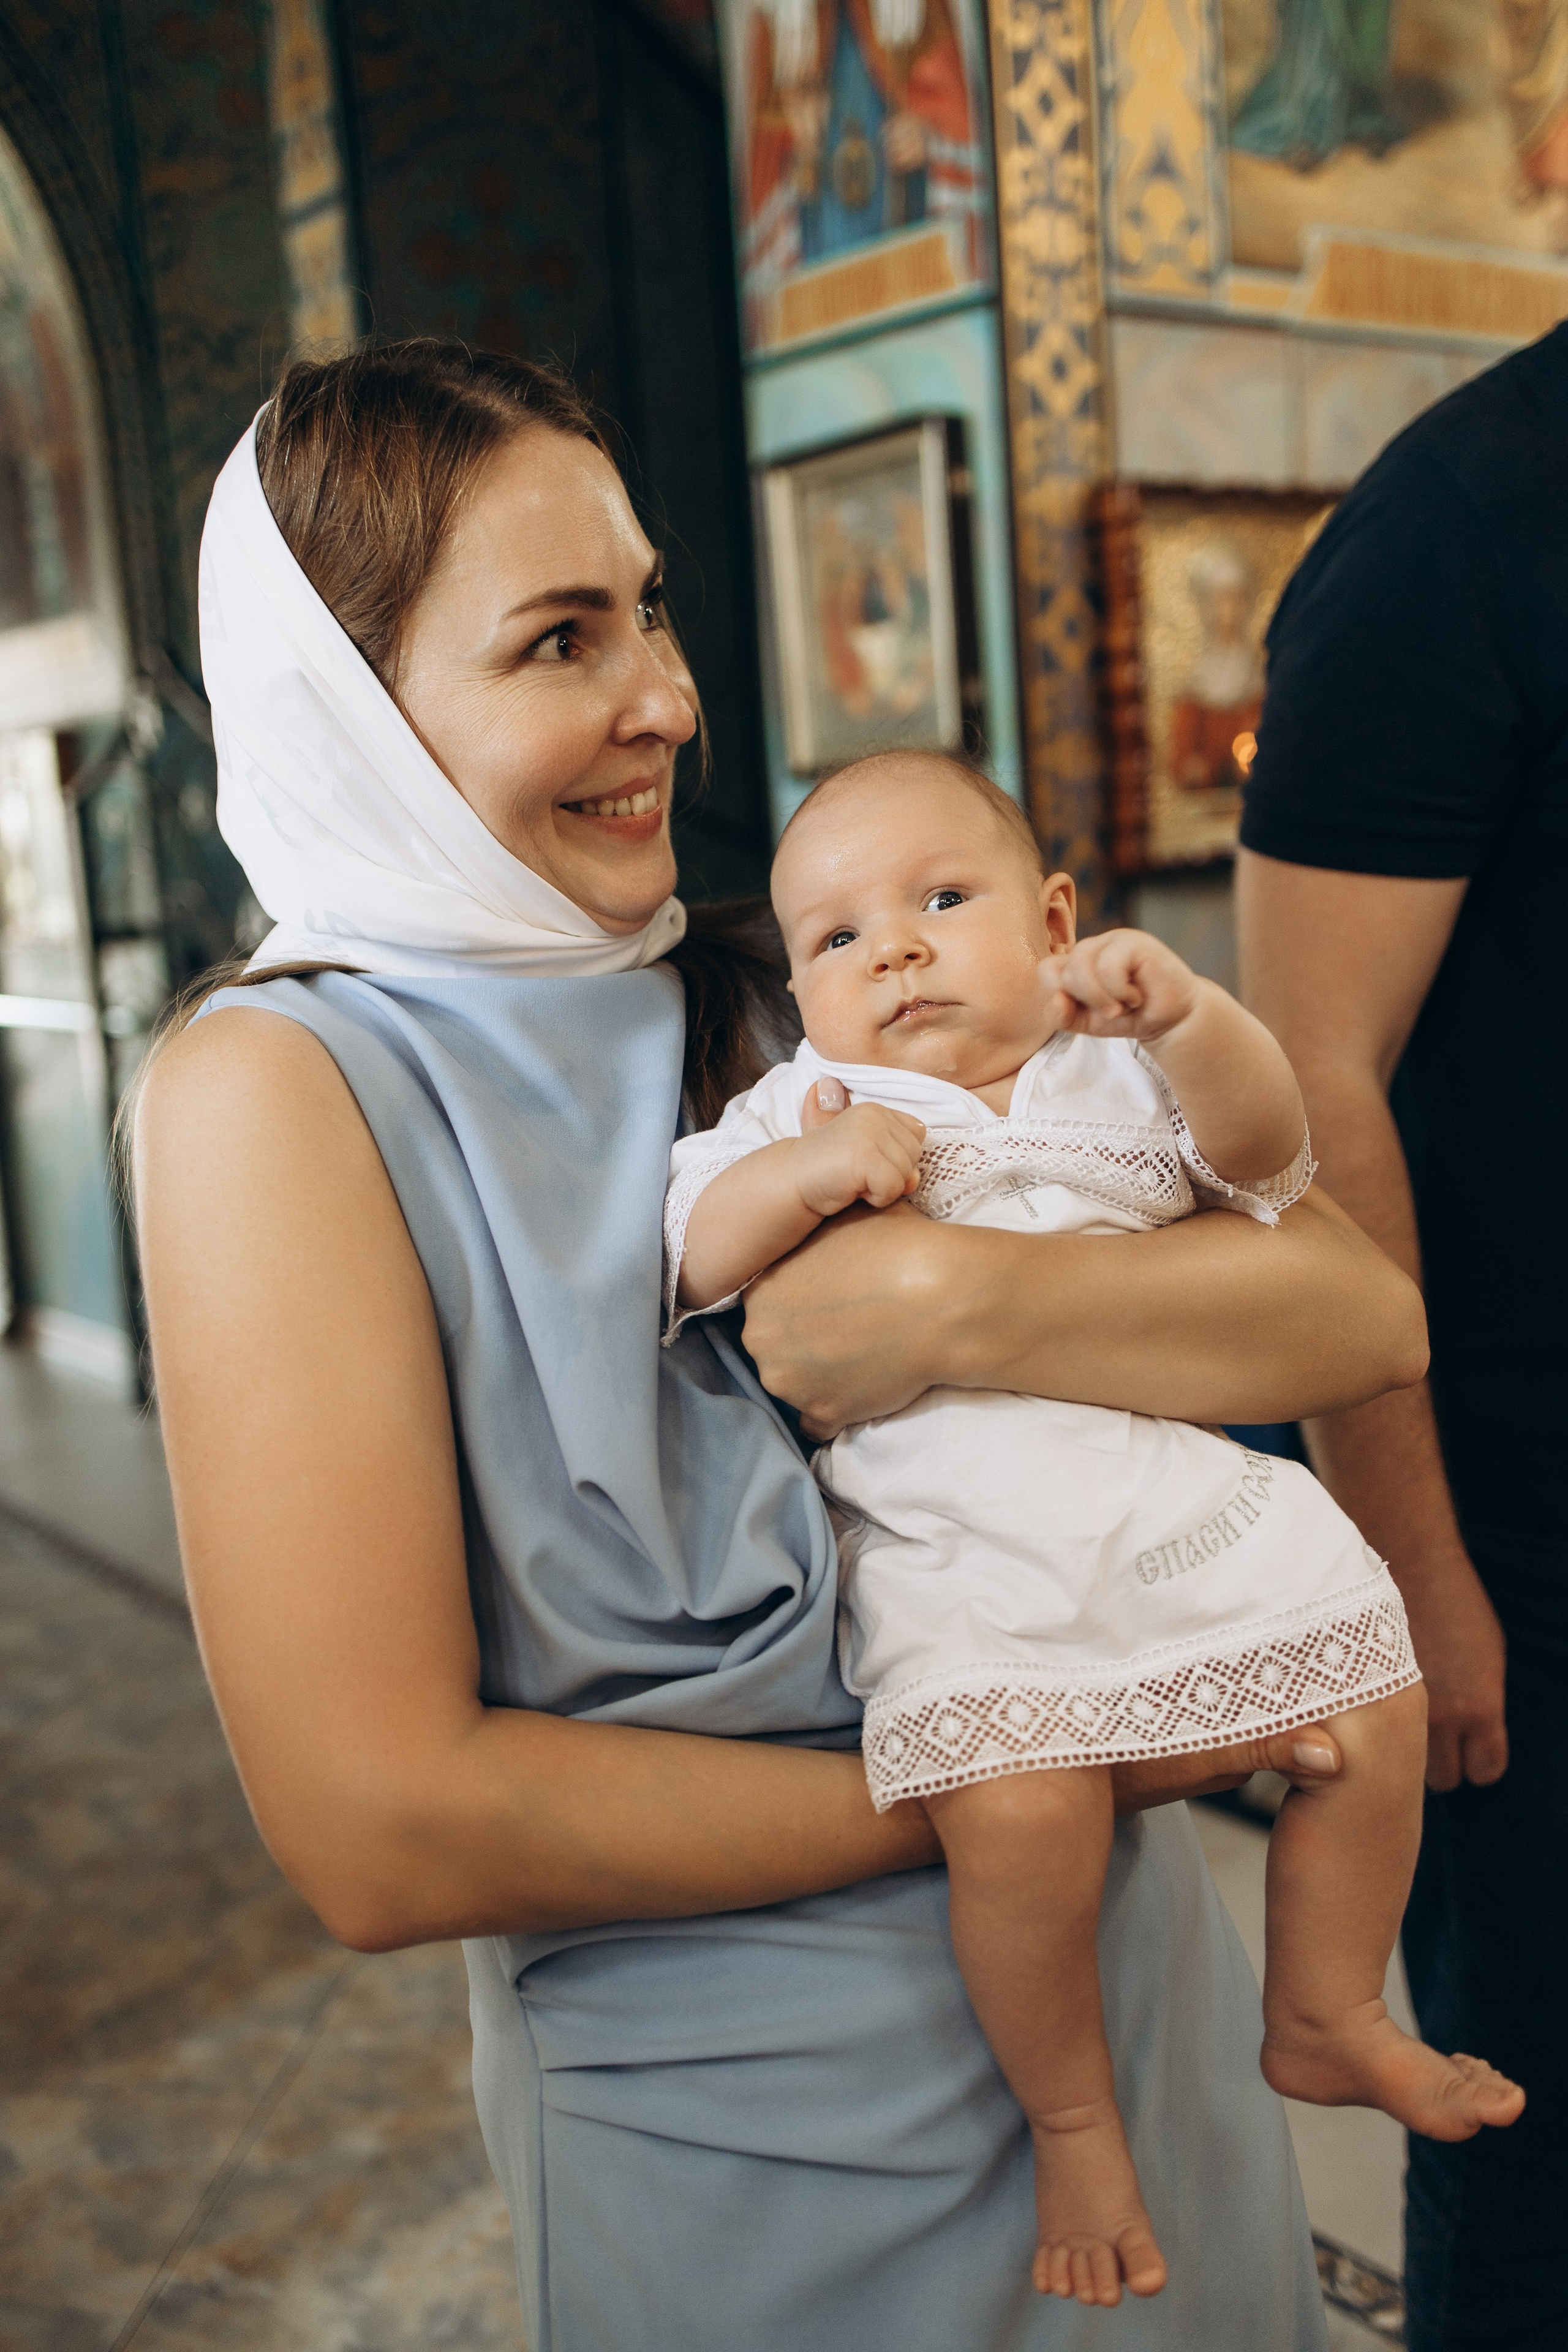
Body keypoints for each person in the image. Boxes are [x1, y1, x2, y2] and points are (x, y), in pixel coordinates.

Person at [132, 339, 1425, 2351]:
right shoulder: (279, 1094)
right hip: (750, 2139)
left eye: (647, 611)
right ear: (354, 715)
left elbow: (1353, 1309)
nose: (665, 698)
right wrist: (1043, 1763)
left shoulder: (781, 976)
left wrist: (962, 1302)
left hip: (1122, 2006)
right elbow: (383, 1828)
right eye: (560, 639)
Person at [666, 750, 1520, 2310]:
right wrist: (800, 1175)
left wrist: (1192, 1019)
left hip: (1159, 1503)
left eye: (939, 900)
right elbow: (694, 1254)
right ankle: (1072, 2119)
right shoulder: (809, 1102)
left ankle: (1323, 2010)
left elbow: (1266, 1161)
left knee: (1369, 1696)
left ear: (1052, 920)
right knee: (1018, 1817)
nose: (897, 952)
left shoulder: (1111, 1076)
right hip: (959, 1554)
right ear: (797, 992)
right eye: (837, 939)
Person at [1237, 318, 1568, 2351]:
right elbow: (1302, 1096)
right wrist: (1417, 1569)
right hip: (1531, 1544)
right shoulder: (1460, 525)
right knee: (1536, 2153)